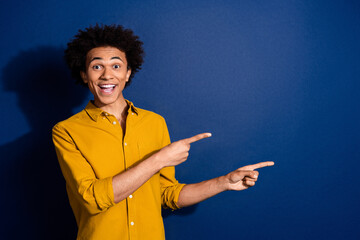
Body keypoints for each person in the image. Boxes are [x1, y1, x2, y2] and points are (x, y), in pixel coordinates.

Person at [52, 24, 274, 240]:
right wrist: (158, 160)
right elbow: (92, 199)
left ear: (128, 73)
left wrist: (224, 182)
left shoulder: (154, 123)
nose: (107, 75)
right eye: (97, 66)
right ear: (84, 74)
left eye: (117, 66)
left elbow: (167, 194)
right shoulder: (67, 131)